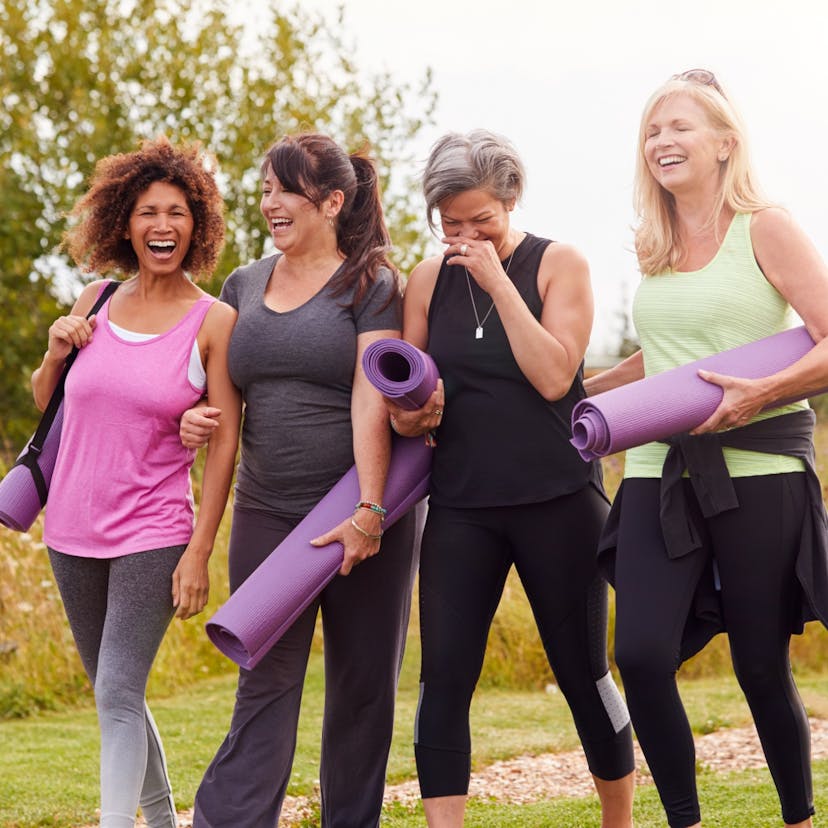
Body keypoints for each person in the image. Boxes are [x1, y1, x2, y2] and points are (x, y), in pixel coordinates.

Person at [587, 70, 828, 828]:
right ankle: (685, 820)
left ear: (726, 142)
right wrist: (580, 389)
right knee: (643, 655)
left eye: (680, 127)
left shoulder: (766, 226)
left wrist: (760, 393)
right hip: (660, 472)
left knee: (760, 667)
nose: (663, 141)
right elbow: (665, 359)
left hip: (761, 472)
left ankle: (796, 819)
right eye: (654, 131)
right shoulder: (654, 244)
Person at [384, 129, 636, 828]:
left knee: (586, 677)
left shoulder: (561, 265)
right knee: (443, 683)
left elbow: (557, 376)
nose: (465, 237)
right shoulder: (428, 280)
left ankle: (621, 821)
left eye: (482, 222)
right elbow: (410, 397)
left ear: (510, 199)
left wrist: (497, 280)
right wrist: (411, 415)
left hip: (559, 498)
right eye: (451, 224)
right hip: (462, 506)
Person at [180, 133, 419, 828]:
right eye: (264, 190)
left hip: (356, 509)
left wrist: (371, 508)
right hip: (267, 510)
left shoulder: (372, 282)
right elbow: (220, 409)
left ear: (333, 201)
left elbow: (372, 394)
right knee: (265, 680)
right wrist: (192, 420)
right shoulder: (242, 285)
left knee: (362, 687)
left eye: (286, 190)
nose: (270, 204)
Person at [30, 136, 240, 828]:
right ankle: (161, 817)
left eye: (178, 213)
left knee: (119, 687)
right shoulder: (95, 300)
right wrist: (58, 352)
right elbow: (46, 403)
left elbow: (225, 443)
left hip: (153, 531)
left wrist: (199, 551)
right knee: (113, 692)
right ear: (125, 222)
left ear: (197, 226)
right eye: (149, 211)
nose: (163, 225)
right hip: (69, 530)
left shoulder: (214, 322)